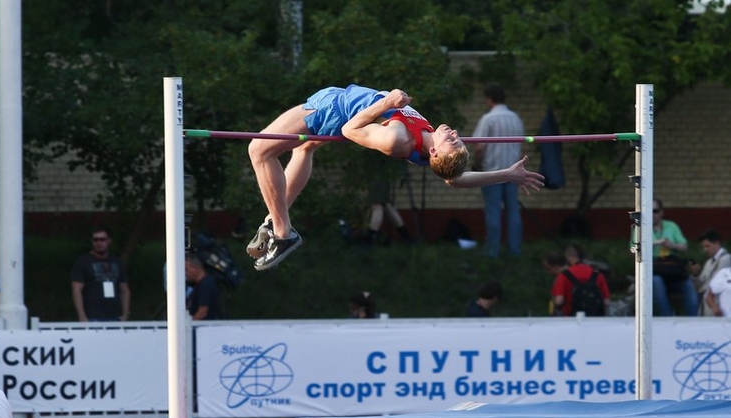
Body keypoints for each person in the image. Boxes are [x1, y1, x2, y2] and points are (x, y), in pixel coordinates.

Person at [246, 85, 545, 271]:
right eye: (458, 138)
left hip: (336, 109)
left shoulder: (398, 140)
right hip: (343, 104)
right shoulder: (428, 144)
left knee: (259, 150)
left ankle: (282, 231)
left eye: (453, 141)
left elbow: (350, 130)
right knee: (306, 147)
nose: (455, 133)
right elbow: (455, 179)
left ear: (436, 156)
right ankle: (275, 222)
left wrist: (387, 103)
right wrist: (506, 174)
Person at [471, 84, 526, 258]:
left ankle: (492, 251)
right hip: (514, 172)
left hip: (492, 173)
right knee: (513, 212)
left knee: (493, 212)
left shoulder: (488, 119)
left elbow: (479, 147)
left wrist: (476, 164)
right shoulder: (515, 118)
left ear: (489, 99)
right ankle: (514, 250)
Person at [71, 226, 131, 322]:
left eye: (102, 240)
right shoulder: (83, 262)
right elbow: (76, 290)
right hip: (92, 316)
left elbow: (124, 290)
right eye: (96, 240)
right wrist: (82, 316)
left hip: (115, 316)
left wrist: (125, 315)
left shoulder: (117, 263)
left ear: (109, 241)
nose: (99, 243)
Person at [650, 199, 698, 316]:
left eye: (655, 211)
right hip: (654, 269)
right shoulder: (639, 228)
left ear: (662, 212)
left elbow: (684, 247)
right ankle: (668, 319)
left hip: (671, 268)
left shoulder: (671, 226)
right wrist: (656, 243)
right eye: (648, 211)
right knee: (656, 282)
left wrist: (672, 245)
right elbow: (634, 249)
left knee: (688, 284)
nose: (652, 214)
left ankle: (694, 322)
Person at [551, 243, 611, 316]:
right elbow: (606, 302)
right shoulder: (596, 273)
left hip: (571, 320)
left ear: (570, 257)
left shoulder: (563, 275)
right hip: (594, 321)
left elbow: (559, 301)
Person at [692, 230, 730, 316]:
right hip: (707, 304)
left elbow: (716, 284)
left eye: (707, 246)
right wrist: (695, 274)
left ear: (717, 243)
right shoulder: (708, 262)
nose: (705, 250)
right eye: (703, 247)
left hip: (719, 304)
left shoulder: (726, 259)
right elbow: (700, 283)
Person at [185, 253, 222, 320]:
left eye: (186, 270)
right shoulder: (199, 285)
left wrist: (190, 325)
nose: (185, 273)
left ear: (195, 268)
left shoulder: (205, 285)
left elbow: (203, 311)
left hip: (206, 328)